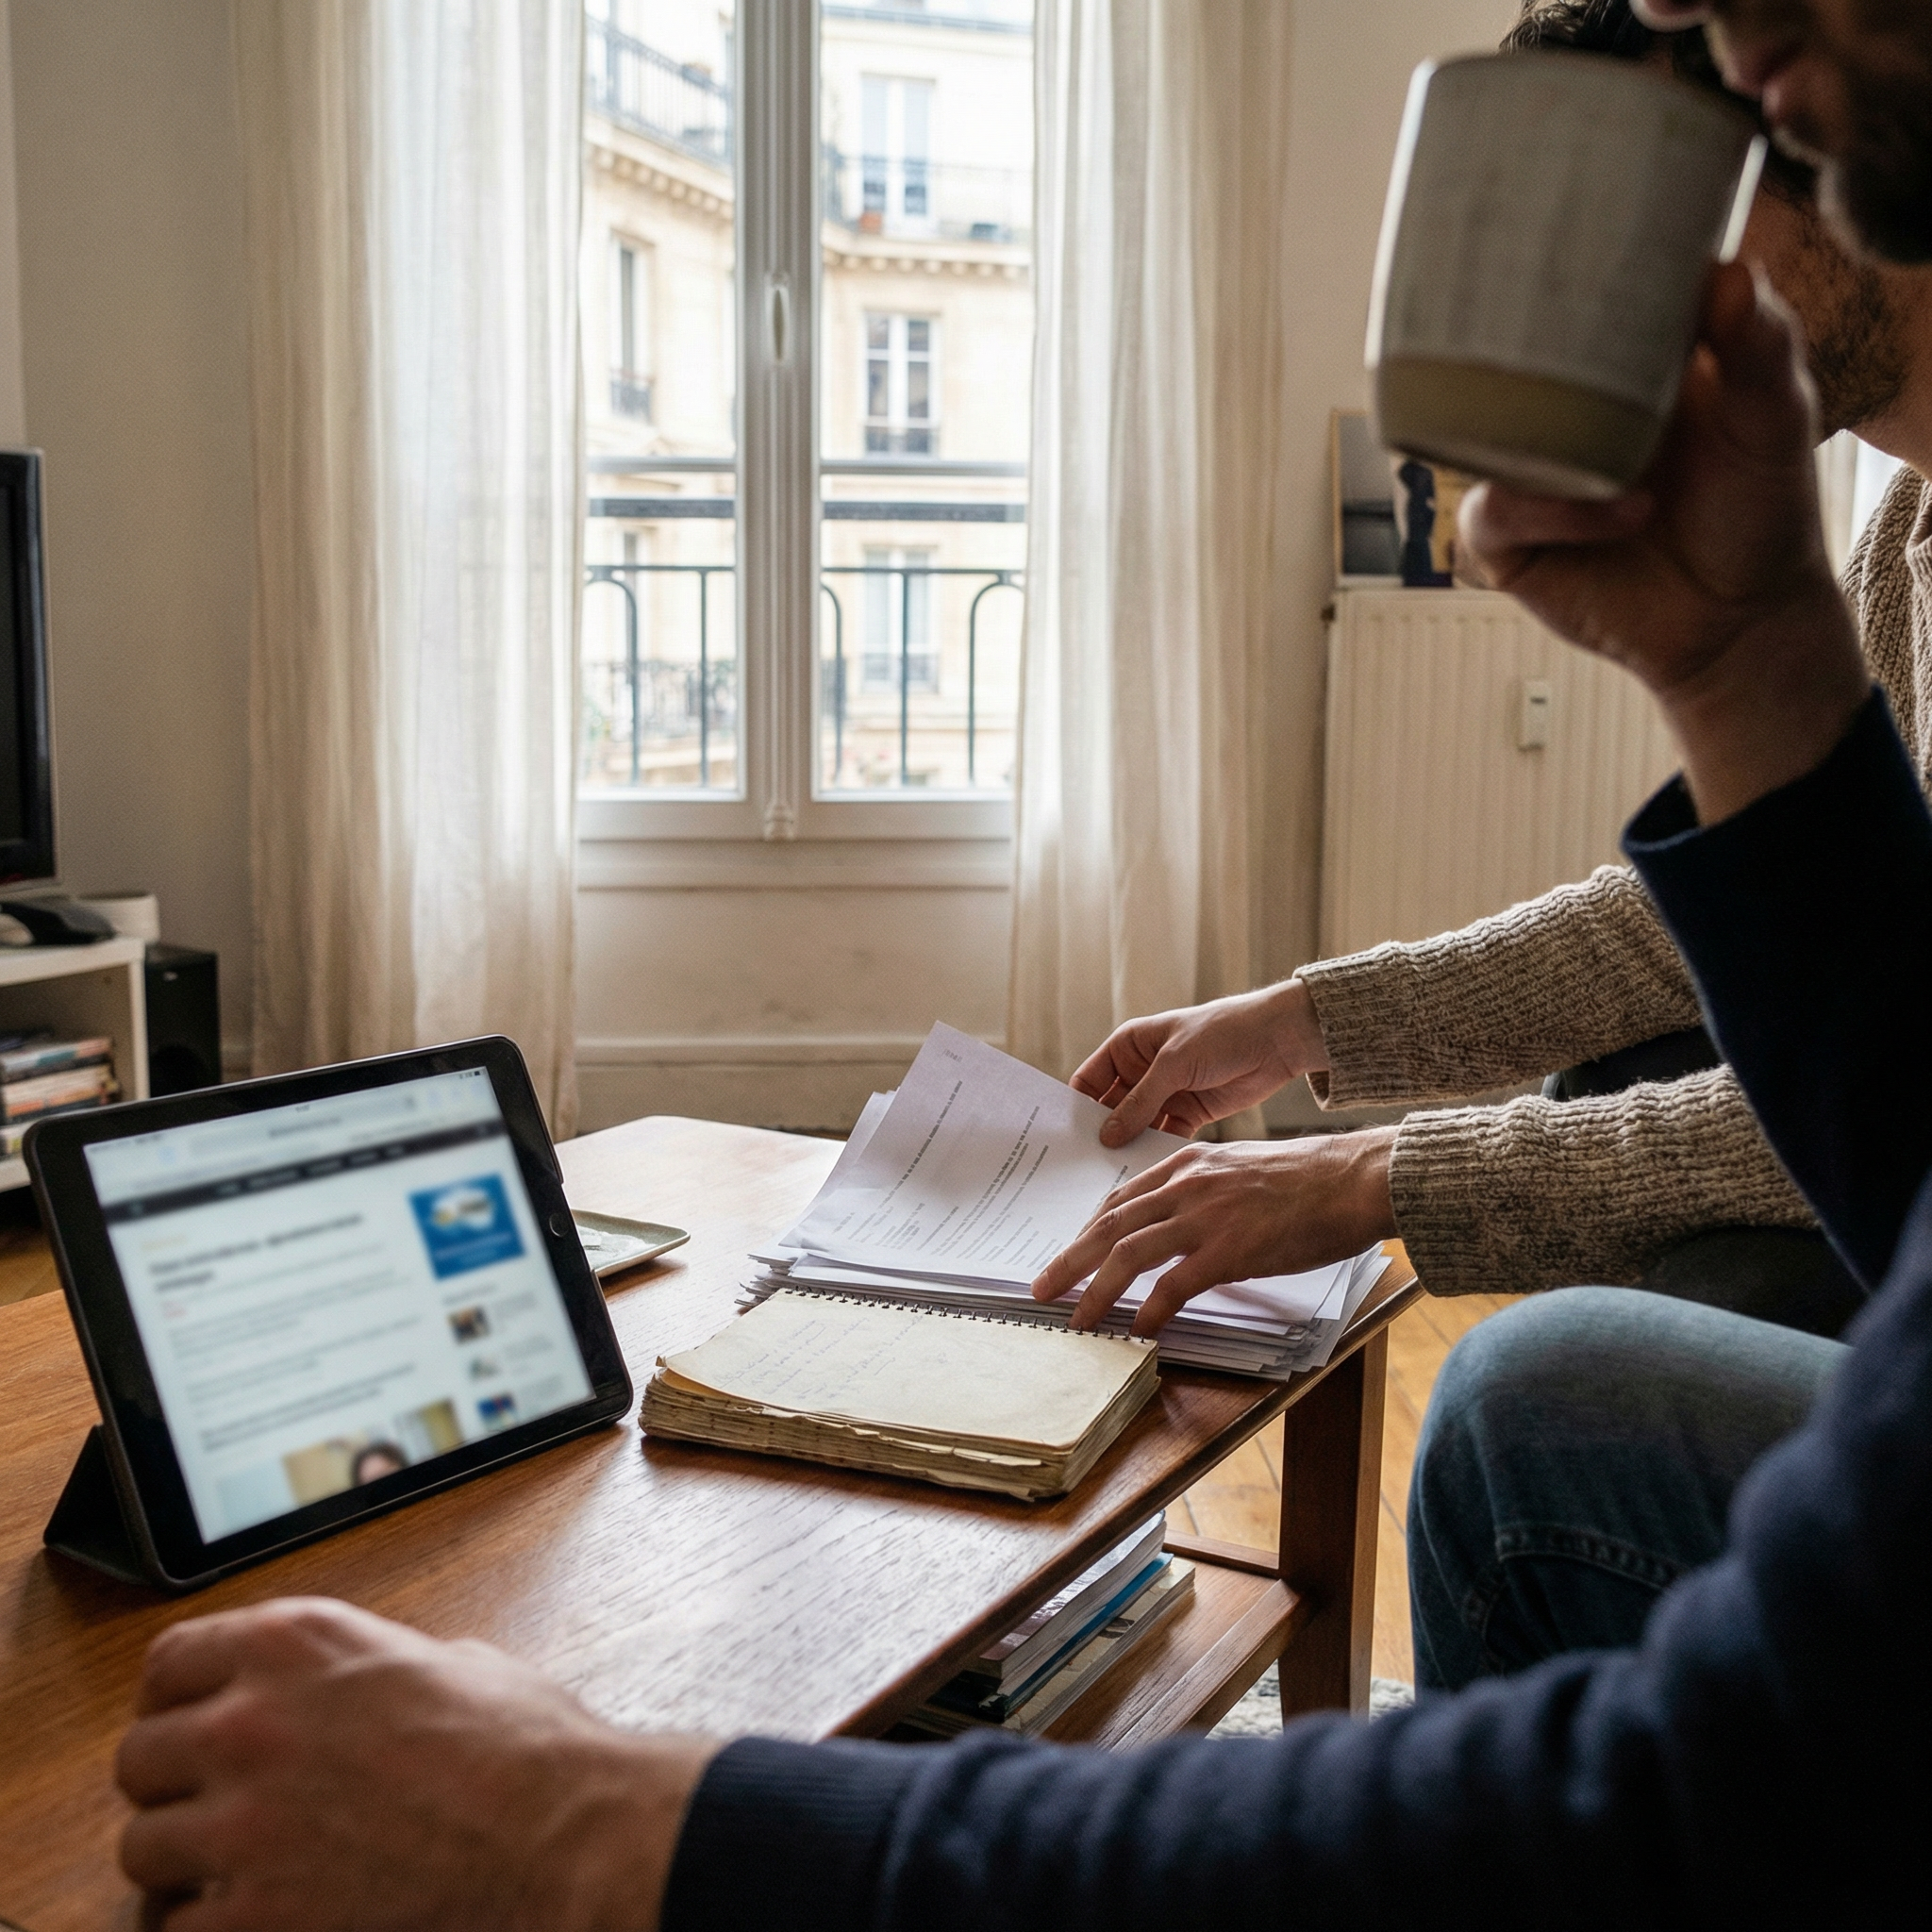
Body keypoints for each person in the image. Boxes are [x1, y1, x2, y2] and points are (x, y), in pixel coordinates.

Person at [108, 4, 1932, 1926]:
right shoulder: (1897, 527)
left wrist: (597, 1831)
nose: (1711, 43)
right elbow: (1787, 950)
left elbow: (1672, 1792)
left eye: (1694, 154)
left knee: (1527, 1396)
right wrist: (1712, 700)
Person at [1029, 0, 1932, 1341]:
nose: (1625, 297)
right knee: (1615, 1073)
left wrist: (1375, 1176)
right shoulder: (1902, 527)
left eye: (1661, 214)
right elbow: (1700, 936)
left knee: (1526, 1389)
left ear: (1825, 135)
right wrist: (1303, 1021)